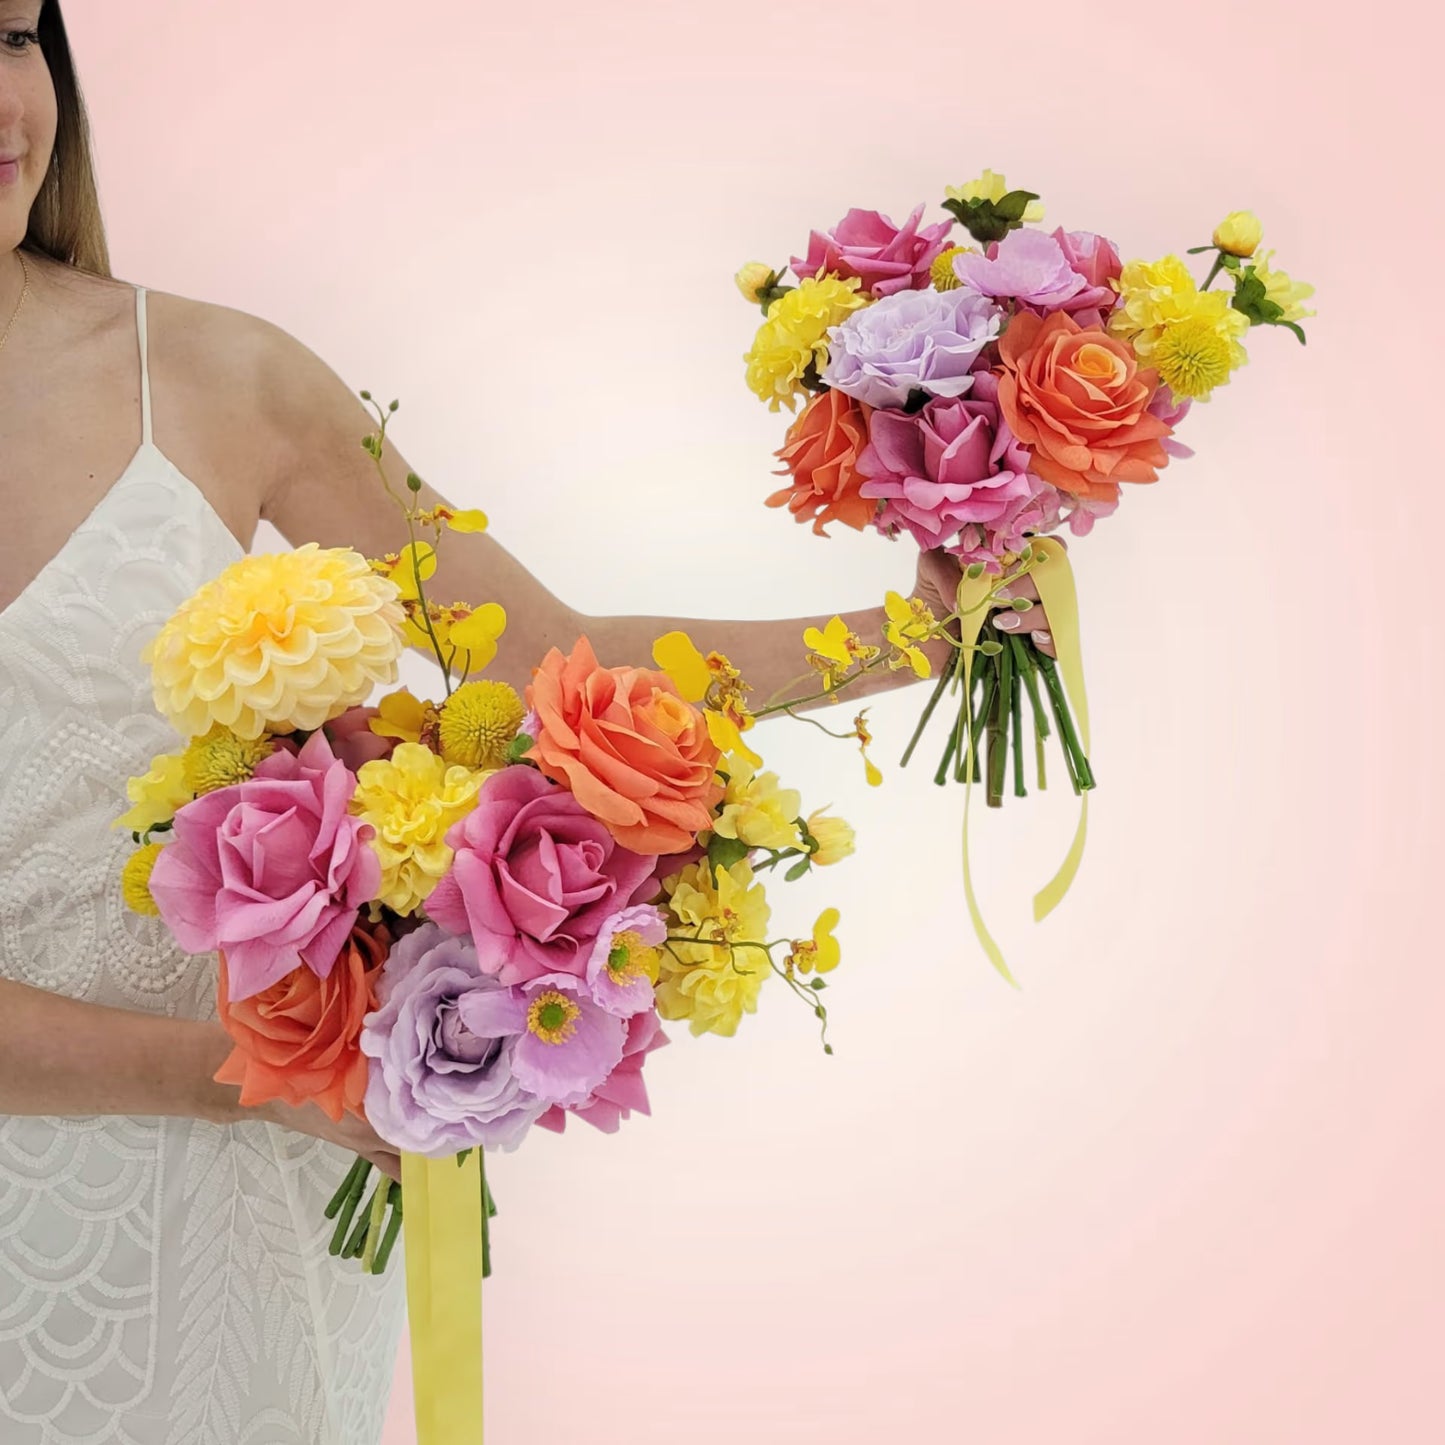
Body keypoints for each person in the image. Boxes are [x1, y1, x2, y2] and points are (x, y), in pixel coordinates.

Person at [0, 3, 1055, 1440]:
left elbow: (555, 655)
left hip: (229, 1231)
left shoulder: (216, 376)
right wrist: (251, 1084)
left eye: (14, 38)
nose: (4, 103)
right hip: (244, 1104)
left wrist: (909, 640)